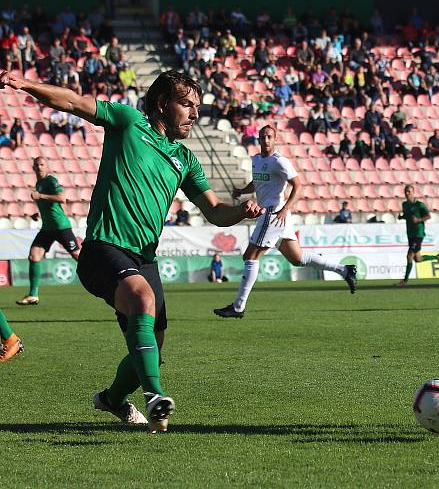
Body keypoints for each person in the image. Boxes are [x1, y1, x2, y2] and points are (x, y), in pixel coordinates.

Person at [0, 67, 265, 432]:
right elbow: (73, 102)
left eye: (197, 106)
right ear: (160, 104)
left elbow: (215, 210)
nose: (194, 113)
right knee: (141, 300)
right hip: (103, 248)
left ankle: (111, 399)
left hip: (144, 257)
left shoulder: (185, 160)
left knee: (152, 350)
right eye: (185, 104)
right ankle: (156, 398)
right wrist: (26, 84)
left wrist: (241, 212)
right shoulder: (127, 122)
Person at [213, 125, 358, 319]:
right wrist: (241, 191)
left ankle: (238, 307)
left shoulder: (280, 162)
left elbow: (298, 186)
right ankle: (344, 269)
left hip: (274, 213)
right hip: (276, 216)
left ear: (275, 139)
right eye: (263, 137)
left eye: (269, 137)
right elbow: (257, 182)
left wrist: (285, 208)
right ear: (258, 139)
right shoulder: (256, 160)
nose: (265, 140)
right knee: (297, 259)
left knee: (250, 256)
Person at [16, 157, 82, 306]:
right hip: (47, 228)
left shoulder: (51, 181)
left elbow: (62, 198)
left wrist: (40, 196)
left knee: (77, 255)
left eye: (42, 165)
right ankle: (33, 295)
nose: (39, 167)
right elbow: (47, 204)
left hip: (60, 226)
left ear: (46, 167)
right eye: (37, 165)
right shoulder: (38, 184)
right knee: (34, 256)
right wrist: (38, 214)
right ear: (33, 168)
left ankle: (103, 276)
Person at [395, 185, 439, 287]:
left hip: (418, 233)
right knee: (418, 259)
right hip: (410, 233)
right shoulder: (404, 204)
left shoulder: (419, 205)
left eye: (409, 191)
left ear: (413, 192)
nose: (407, 193)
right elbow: (407, 215)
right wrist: (401, 217)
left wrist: (418, 220)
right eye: (406, 191)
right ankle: (436, 257)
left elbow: (428, 216)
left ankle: (405, 281)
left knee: (409, 256)